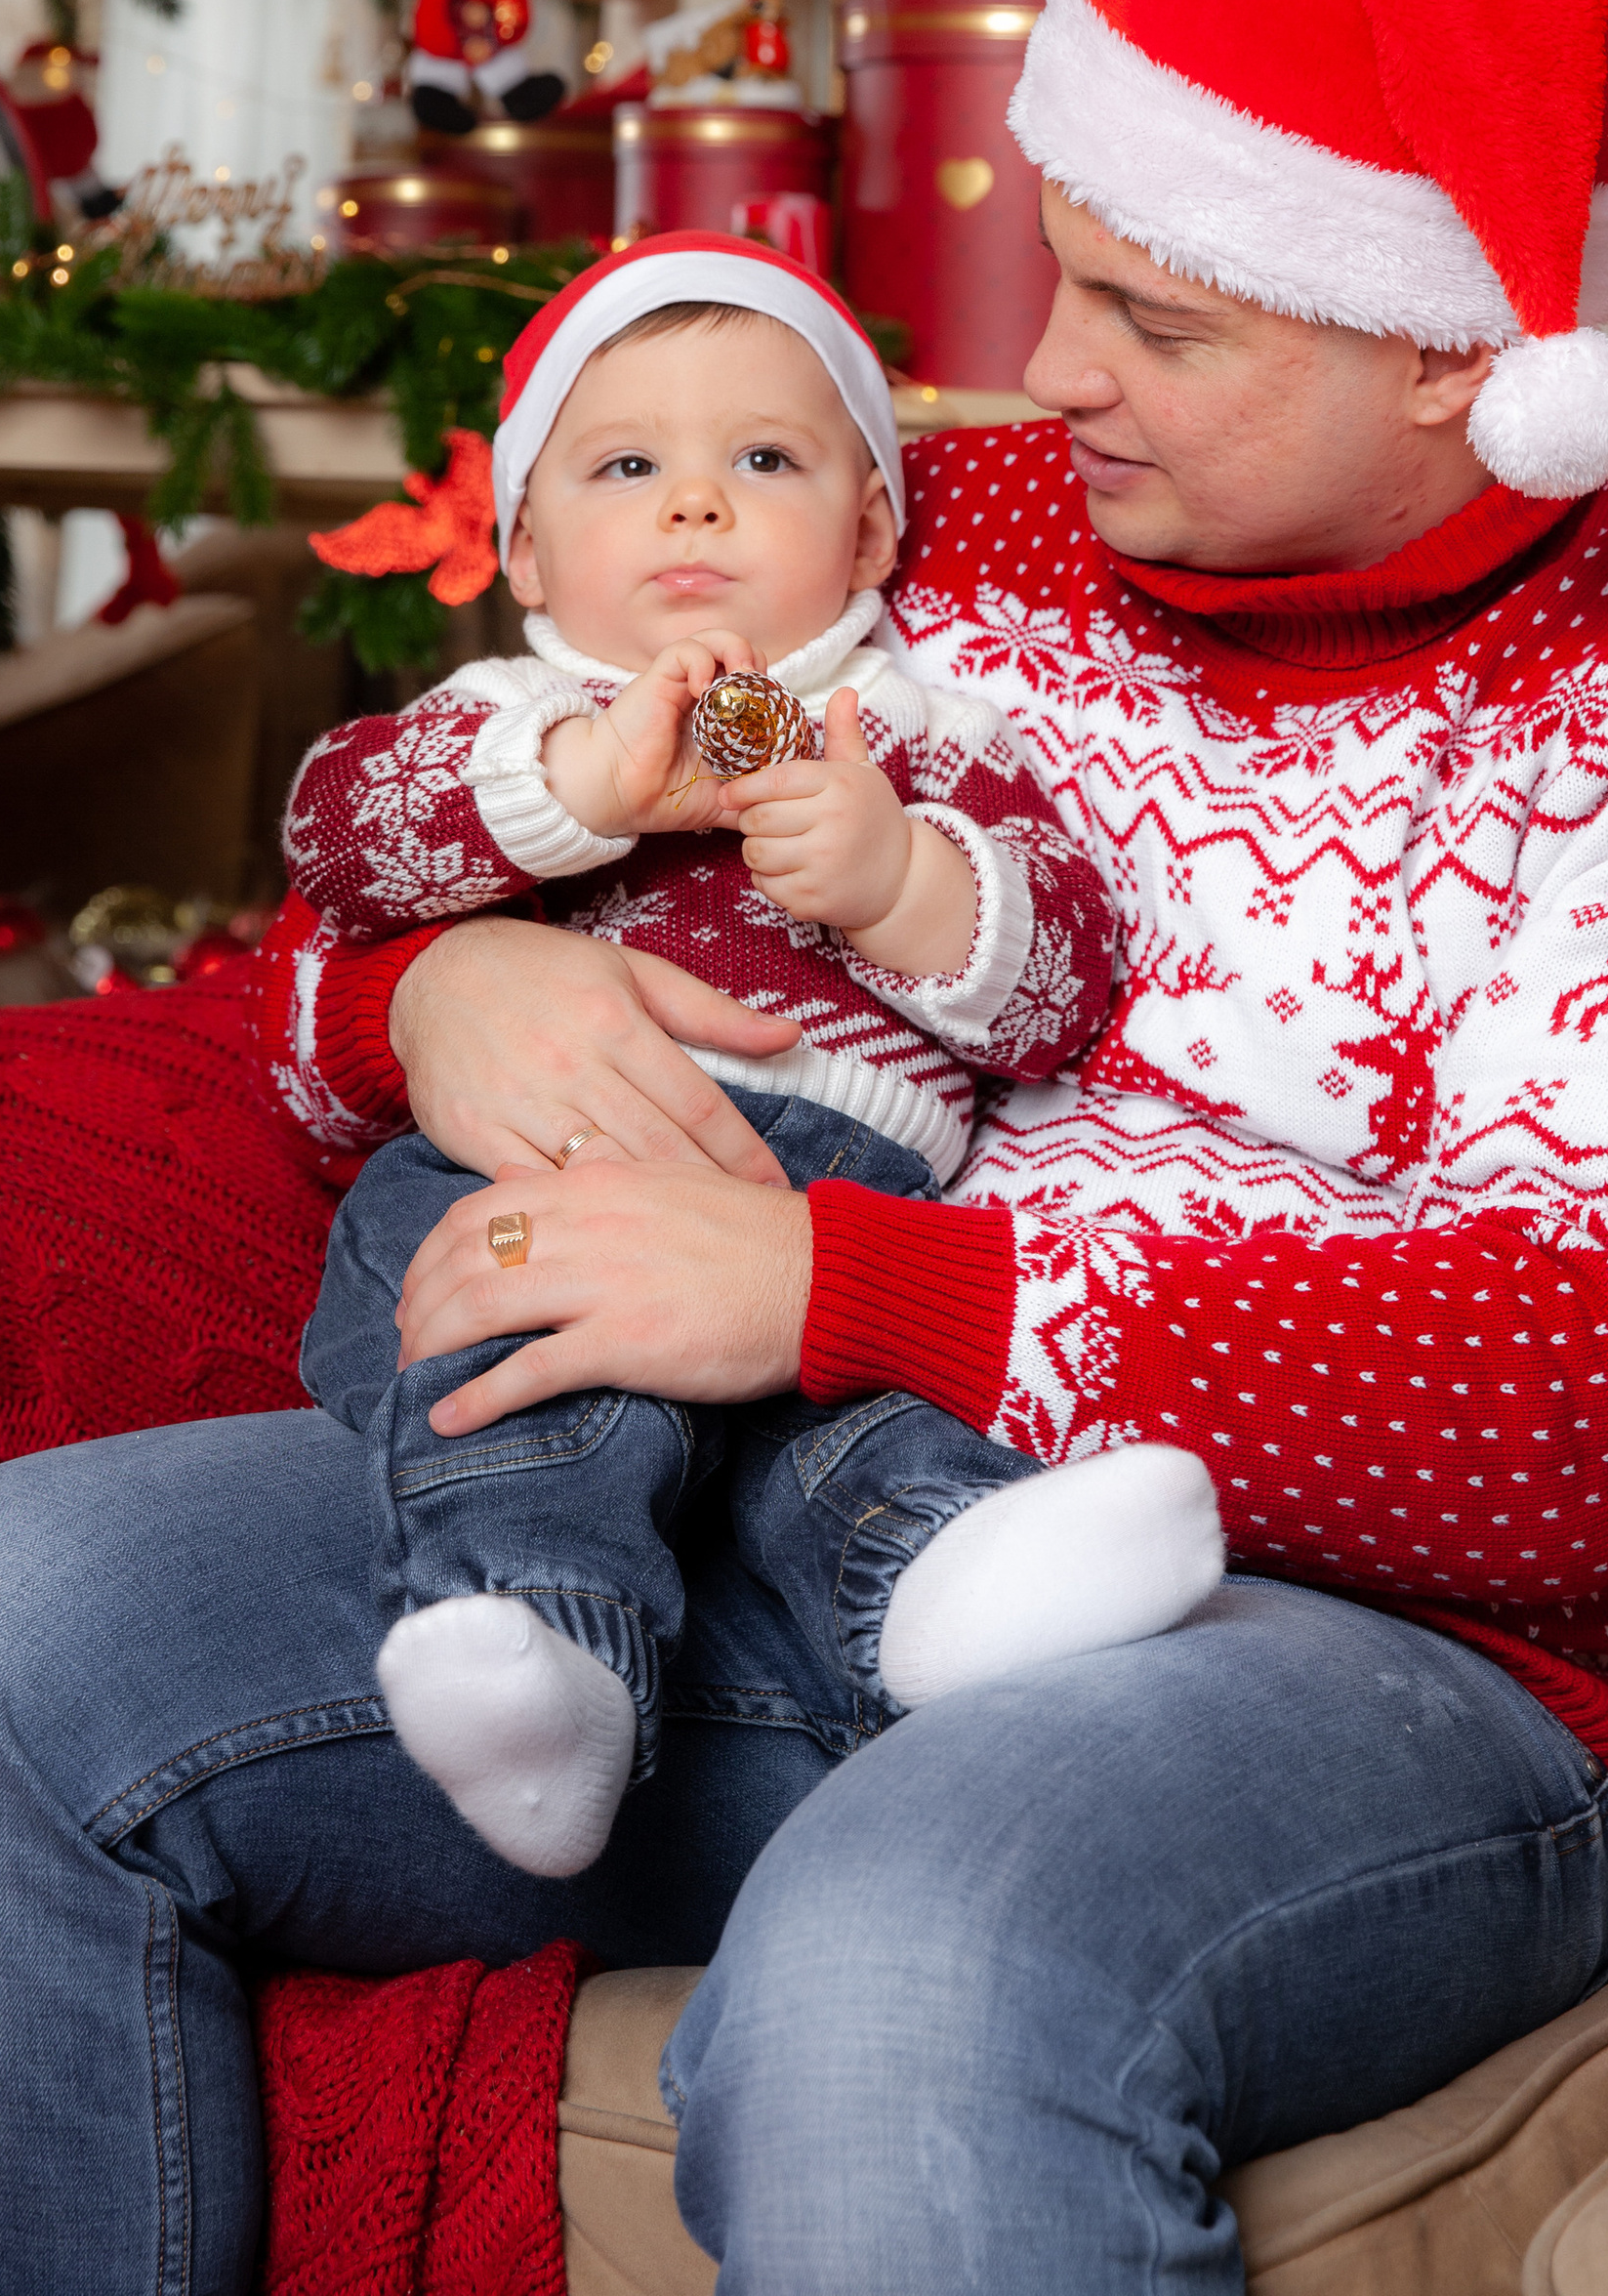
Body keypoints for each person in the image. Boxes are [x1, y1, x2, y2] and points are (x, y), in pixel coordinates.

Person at [0, 0, 1608, 2295]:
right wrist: (428, 997)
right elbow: (428, 833)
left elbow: (1578, 1414)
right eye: (1063, 277)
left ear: (1456, 351)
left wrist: (836, 1297)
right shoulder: (969, 530)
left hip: (1401, 1667)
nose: (1043, 375)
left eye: (1156, 320)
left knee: (906, 1947)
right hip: (727, 1518)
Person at [288, 234, 1216, 1878]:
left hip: (825, 1192)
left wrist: (898, 880)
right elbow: (338, 838)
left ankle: (943, 1571)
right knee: (502, 1351)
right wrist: (571, 789)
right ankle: (539, 1653)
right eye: (628, 464)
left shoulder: (911, 732)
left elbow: (1062, 984)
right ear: (523, 546)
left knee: (841, 1415)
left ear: (866, 529)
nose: (695, 506)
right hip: (527, 1171)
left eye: (764, 461)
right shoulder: (514, 713)